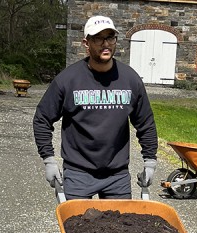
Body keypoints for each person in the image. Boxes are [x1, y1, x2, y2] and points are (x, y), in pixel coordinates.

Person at [33, 15, 158, 200]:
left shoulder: (130, 80)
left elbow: (145, 123)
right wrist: (49, 160)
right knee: (77, 227)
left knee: (123, 228)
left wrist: (150, 162)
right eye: (98, 38)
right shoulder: (68, 80)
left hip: (117, 176)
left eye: (110, 38)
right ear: (86, 43)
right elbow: (42, 119)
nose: (105, 44)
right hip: (78, 174)